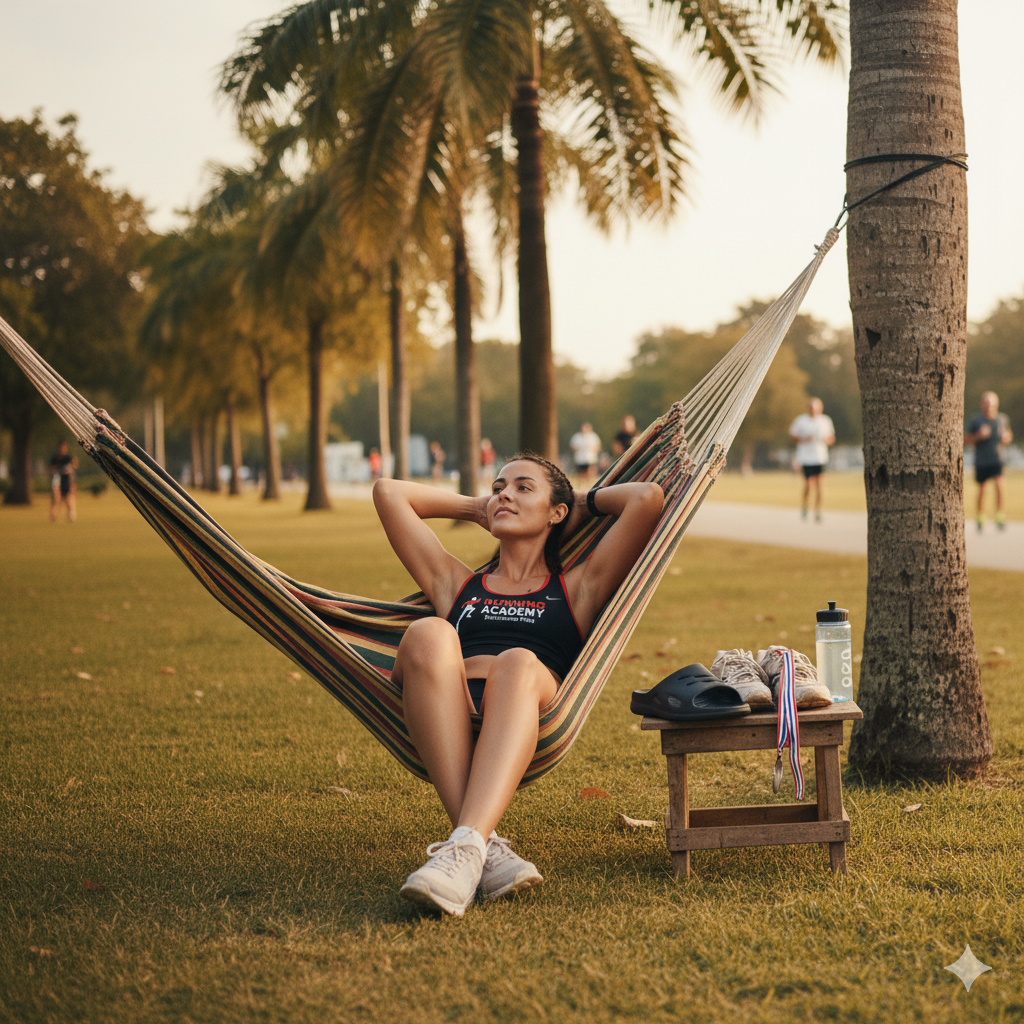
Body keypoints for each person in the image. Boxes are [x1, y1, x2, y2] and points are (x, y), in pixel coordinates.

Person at [372, 454, 663, 916]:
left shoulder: (577, 588)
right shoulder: (457, 584)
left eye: (523, 488)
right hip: (446, 710)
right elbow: (388, 493)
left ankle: (464, 849)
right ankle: (479, 847)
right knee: (429, 632)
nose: (504, 493)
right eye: (499, 485)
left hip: (525, 707)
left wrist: (577, 502)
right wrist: (476, 507)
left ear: (556, 513)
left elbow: (647, 498)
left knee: (518, 662)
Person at [965, 391, 1013, 531]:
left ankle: (999, 516)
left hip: (997, 459)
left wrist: (1006, 438)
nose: (988, 407)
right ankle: (980, 517)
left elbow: (1008, 434)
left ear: (996, 405)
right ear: (981, 405)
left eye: (991, 404)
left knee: (999, 485)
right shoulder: (976, 421)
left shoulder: (1002, 419)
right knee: (982, 489)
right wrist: (978, 436)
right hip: (981, 461)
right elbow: (966, 440)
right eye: (986, 404)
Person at [789, 398, 835, 522]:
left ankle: (818, 511)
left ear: (820, 409)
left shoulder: (825, 420)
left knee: (820, 485)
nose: (813, 410)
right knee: (808, 484)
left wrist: (825, 440)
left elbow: (831, 438)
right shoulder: (801, 420)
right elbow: (792, 435)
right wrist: (804, 439)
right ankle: (805, 507)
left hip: (820, 457)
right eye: (811, 408)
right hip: (806, 457)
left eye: (815, 408)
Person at [48, 440, 78, 522]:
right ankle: (52, 516)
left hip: (66, 480)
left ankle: (71, 516)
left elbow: (73, 469)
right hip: (57, 480)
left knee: (68, 499)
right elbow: (51, 471)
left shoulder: (68, 458)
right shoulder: (55, 459)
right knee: (56, 499)